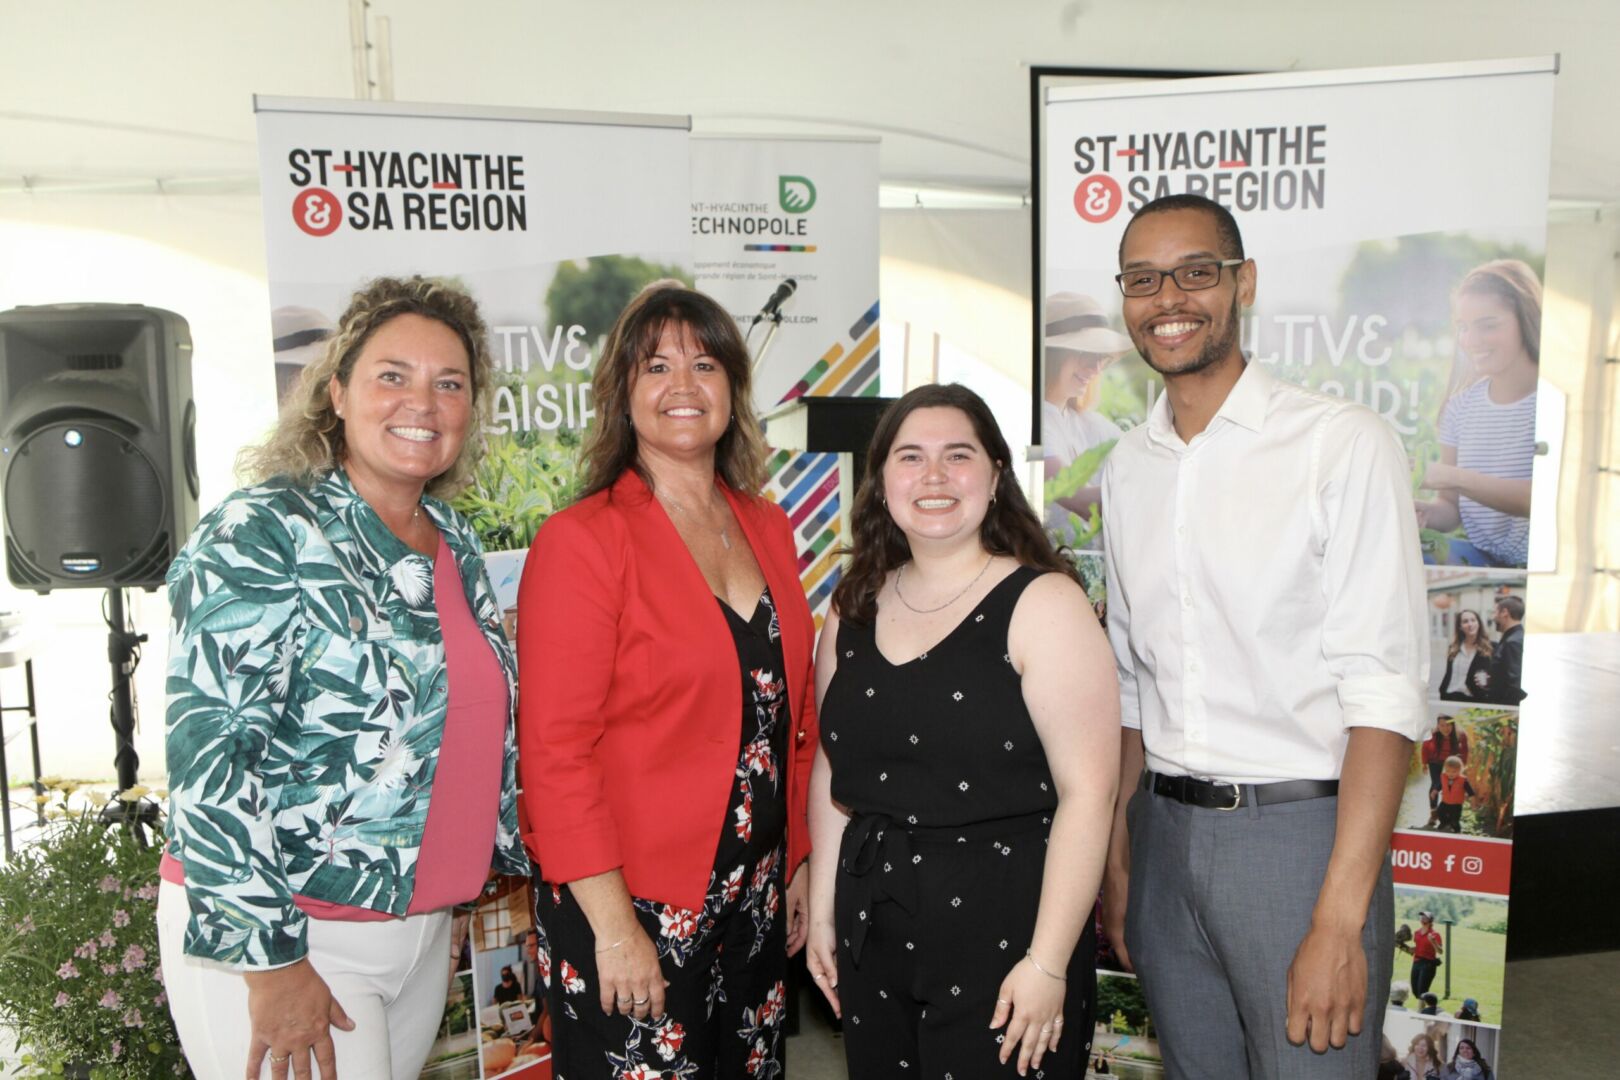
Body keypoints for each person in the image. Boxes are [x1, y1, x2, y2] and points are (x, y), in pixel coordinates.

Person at [158, 277, 526, 1080]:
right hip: (298, 938)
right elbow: (210, 751)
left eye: (448, 382)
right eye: (392, 375)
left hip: (419, 930)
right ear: (336, 394)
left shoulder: (455, 540)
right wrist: (271, 960)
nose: (421, 402)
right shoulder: (264, 530)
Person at [1097, 194, 1428, 1079]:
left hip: (1302, 843)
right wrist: (1121, 861)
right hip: (1164, 840)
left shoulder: (1339, 446)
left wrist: (1337, 921)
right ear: (1124, 299)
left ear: (1243, 283)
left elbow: (1385, 694)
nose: (1169, 297)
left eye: (1196, 272)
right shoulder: (1127, 470)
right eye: (1142, 279)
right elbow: (1134, 685)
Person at [517, 283, 817, 1078]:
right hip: (636, 909)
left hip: (752, 905)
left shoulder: (768, 524)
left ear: (733, 391)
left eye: (705, 363)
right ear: (622, 395)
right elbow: (555, 754)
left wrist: (796, 862)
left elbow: (793, 711)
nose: (683, 384)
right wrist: (615, 929)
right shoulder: (583, 541)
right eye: (656, 365)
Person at [805, 383, 1120, 1078]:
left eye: (959, 455)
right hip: (872, 930)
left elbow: (1089, 794)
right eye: (911, 457)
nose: (936, 477)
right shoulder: (850, 607)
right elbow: (832, 767)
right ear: (881, 480)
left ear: (996, 474)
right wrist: (825, 908)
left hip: (1009, 937)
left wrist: (1047, 961)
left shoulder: (1044, 604)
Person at [1415, 260, 1541, 568]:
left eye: (1488, 325)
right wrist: (1424, 512)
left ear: (1525, 319)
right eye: (1463, 327)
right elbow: (1450, 507)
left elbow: (1542, 502)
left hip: (1542, 568)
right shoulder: (1460, 408)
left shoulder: (1553, 403)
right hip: (1483, 559)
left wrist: (1452, 476)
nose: (1470, 341)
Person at [1040, 293, 1134, 547]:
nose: (1095, 368)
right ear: (1051, 353)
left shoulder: (1091, 424)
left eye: (1101, 358)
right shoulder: (1030, 424)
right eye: (1086, 354)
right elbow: (1074, 495)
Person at [1419, 717, 1470, 828]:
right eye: (1442, 725)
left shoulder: (1460, 735)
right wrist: (1424, 764)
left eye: (1448, 725)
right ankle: (1433, 813)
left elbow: (1465, 750)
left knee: (1449, 786)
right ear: (1438, 725)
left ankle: (1448, 814)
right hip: (1435, 761)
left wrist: (1463, 765)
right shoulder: (1432, 734)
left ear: (1453, 725)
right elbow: (1425, 748)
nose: (1445, 728)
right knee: (1436, 785)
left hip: (1451, 762)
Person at [1437, 610, 1494, 702]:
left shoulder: (1490, 647)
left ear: (1479, 623)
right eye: (1465, 621)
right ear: (1460, 627)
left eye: (1473, 620)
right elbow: (1448, 675)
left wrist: (1490, 680)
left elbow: (1495, 676)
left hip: (1475, 699)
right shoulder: (1453, 648)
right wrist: (1442, 692)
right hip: (1450, 697)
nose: (1470, 624)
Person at [1486, 595, 1527, 704]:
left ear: (1504, 612)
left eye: (1495, 612)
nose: (1493, 617)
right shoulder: (1514, 638)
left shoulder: (1512, 642)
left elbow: (1514, 684)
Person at [1434, 756, 1479, 833]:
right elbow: (1440, 785)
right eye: (1448, 771)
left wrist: (1473, 803)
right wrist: (1435, 791)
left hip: (1456, 805)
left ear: (1460, 770)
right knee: (1439, 812)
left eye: (1454, 771)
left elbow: (1471, 793)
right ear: (1445, 769)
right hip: (1445, 802)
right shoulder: (1443, 776)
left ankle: (1457, 831)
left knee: (1455, 820)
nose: (1450, 773)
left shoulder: (1463, 780)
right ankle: (1445, 822)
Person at [1410, 911, 1444, 998]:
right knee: (1415, 991)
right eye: (1421, 917)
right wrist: (1410, 949)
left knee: (1422, 992)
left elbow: (1440, 951)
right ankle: (1422, 1007)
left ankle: (1421, 1011)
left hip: (1428, 964)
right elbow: (1418, 946)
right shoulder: (1417, 933)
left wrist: (1433, 942)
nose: (1422, 918)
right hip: (1416, 962)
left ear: (1430, 920)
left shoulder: (1435, 934)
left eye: (1425, 917)